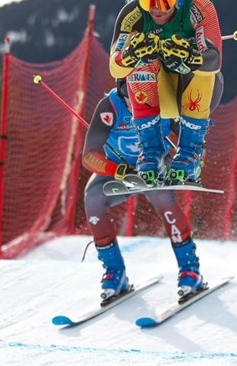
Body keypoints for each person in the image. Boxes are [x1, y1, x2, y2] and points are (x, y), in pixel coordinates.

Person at [81, 80, 206, 305]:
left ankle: (190, 271)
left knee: (162, 198)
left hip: (156, 167)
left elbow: (190, 138)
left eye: (142, 100)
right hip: (120, 171)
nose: (136, 106)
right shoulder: (110, 106)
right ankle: (114, 274)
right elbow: (89, 155)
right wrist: (117, 170)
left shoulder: (165, 103)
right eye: (130, 99)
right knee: (93, 199)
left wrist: (191, 161)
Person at [109, 0, 224, 187]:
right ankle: (152, 153)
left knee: (201, 67)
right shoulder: (132, 13)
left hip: (193, 91)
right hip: (155, 93)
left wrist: (190, 57)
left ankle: (190, 154)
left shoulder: (198, 4)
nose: (155, 9)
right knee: (140, 62)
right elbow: (115, 67)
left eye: (164, 1)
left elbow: (214, 59)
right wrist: (131, 55)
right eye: (146, 0)